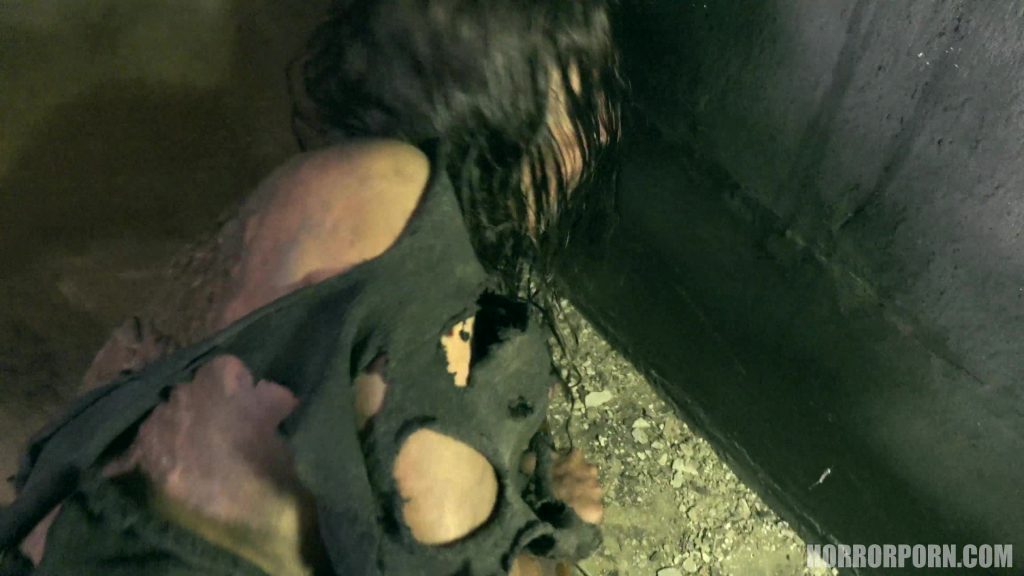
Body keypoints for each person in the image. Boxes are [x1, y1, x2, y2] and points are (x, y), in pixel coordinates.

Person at [2, 1, 623, 574]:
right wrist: (554, 540)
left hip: (86, 537)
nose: (594, 134)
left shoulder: (322, 183)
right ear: (488, 100)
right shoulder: (405, 210)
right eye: (575, 108)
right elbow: (440, 541)